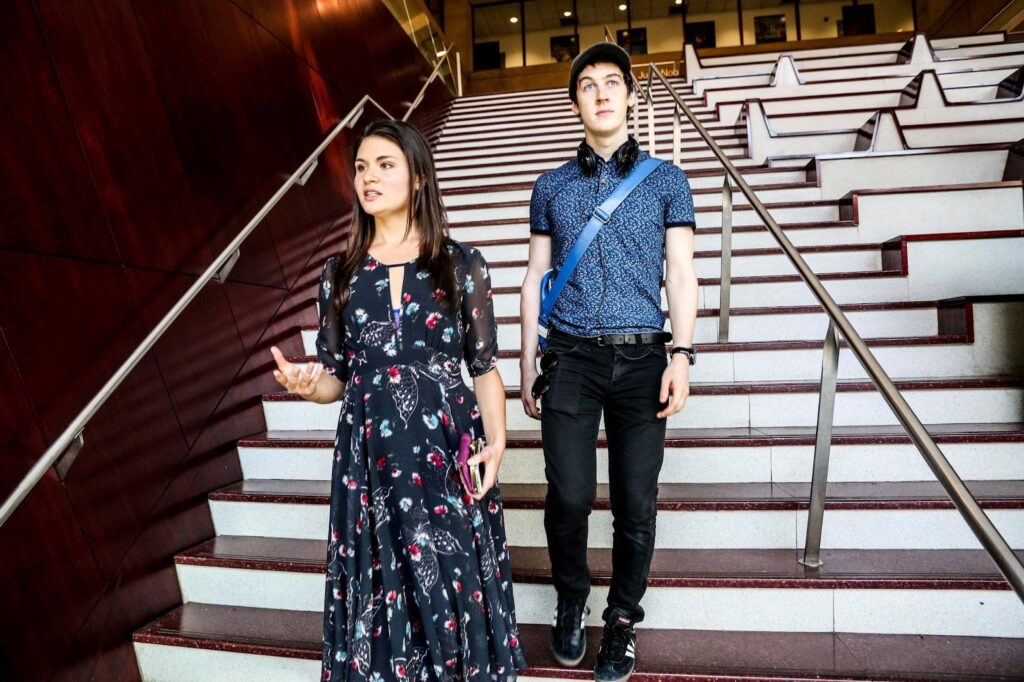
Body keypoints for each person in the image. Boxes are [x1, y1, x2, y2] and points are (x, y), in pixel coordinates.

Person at [271, 120, 527, 681]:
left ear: (418, 179)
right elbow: (337, 377)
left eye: (385, 164)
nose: (369, 177)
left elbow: (483, 369)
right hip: (370, 457)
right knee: (380, 575)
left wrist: (499, 441)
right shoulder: (337, 274)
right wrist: (311, 387)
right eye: (361, 167)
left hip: (445, 447)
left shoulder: (462, 263)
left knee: (454, 569)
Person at [519, 43, 699, 682]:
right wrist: (524, 359)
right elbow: (536, 273)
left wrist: (681, 353)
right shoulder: (551, 186)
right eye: (587, 85)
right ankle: (573, 596)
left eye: (611, 83)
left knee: (635, 502)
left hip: (644, 358)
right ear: (575, 103)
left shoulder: (667, 179)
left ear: (629, 96)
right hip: (569, 358)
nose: (600, 92)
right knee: (568, 495)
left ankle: (621, 619)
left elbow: (681, 273)